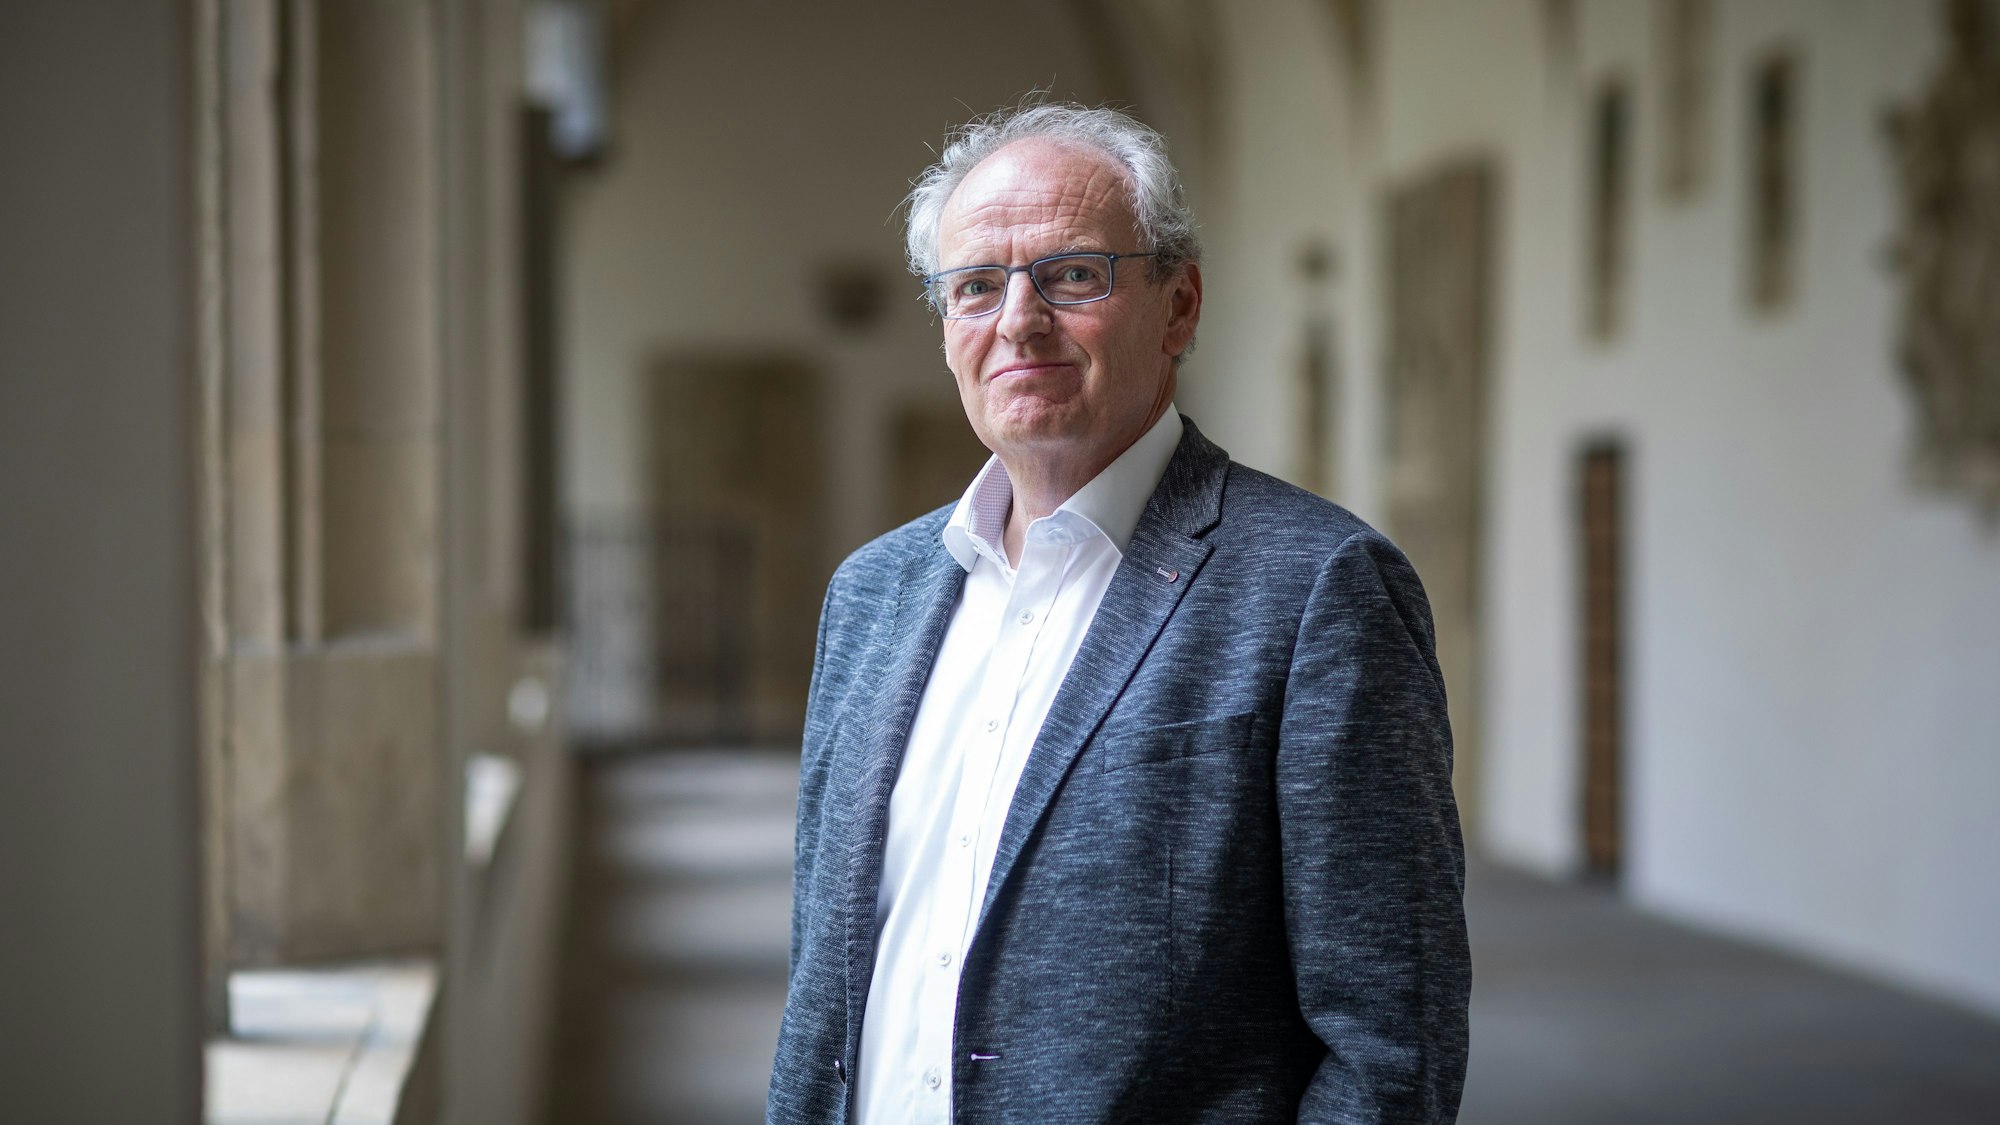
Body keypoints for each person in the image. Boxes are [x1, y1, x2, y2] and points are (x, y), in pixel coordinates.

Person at [768, 101, 1468, 1125]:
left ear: (1178, 305)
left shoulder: (1318, 588)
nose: (1017, 320)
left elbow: (1389, 1043)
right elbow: (822, 984)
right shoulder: (871, 595)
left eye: (1071, 274)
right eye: (975, 286)